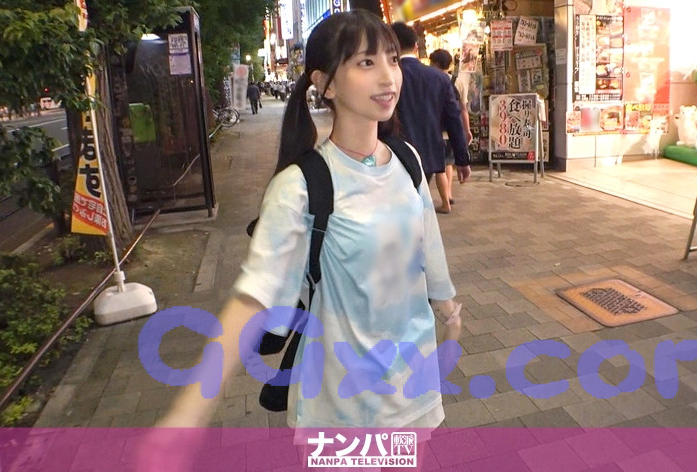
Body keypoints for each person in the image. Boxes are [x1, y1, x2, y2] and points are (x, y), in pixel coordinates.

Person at [138, 10, 463, 469]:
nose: (388, 76)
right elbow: (253, 298)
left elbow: (429, 246)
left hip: (414, 381)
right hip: (341, 401)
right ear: (324, 83)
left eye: (392, 59)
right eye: (365, 63)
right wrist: (189, 413)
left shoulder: (407, 160)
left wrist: (447, 310)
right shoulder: (301, 185)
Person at [391, 22, 471, 214]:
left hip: (393, 153)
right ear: (416, 47)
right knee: (416, 201)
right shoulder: (439, 78)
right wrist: (462, 159)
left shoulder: (388, 75)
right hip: (429, 152)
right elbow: (454, 120)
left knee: (399, 208)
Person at [429, 49, 472, 213]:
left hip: (436, 130)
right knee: (449, 164)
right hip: (453, 131)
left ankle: (445, 202)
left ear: (436, 64)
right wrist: (466, 130)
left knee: (439, 167)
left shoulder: (431, 80)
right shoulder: (458, 82)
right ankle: (449, 194)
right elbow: (463, 109)